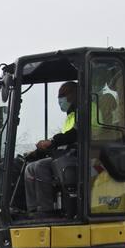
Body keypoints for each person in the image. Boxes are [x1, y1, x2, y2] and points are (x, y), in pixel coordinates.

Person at [23, 80, 80, 215]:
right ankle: (33, 209)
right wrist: (39, 151)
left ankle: (46, 210)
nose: (60, 99)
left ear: (74, 94)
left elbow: (74, 135)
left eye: (63, 95)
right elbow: (65, 140)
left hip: (80, 156)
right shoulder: (71, 115)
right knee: (30, 167)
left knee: (40, 167)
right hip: (68, 154)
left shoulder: (87, 110)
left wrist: (52, 141)